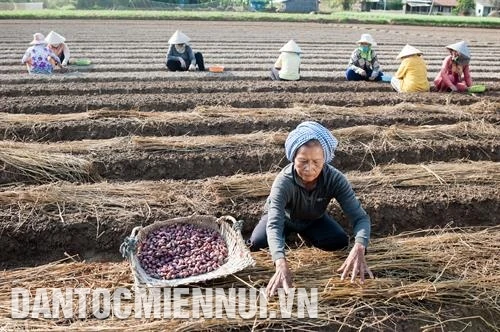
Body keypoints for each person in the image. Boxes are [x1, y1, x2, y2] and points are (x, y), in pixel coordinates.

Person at [248, 121, 373, 297]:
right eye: (303, 161)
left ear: (325, 160)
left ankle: (305, 233)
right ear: (293, 158)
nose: (309, 168)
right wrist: (281, 263)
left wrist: (360, 246)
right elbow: (274, 224)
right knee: (258, 244)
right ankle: (289, 234)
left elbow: (361, 218)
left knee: (339, 242)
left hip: (314, 218)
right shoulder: (283, 182)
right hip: (283, 218)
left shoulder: (335, 179)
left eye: (316, 162)